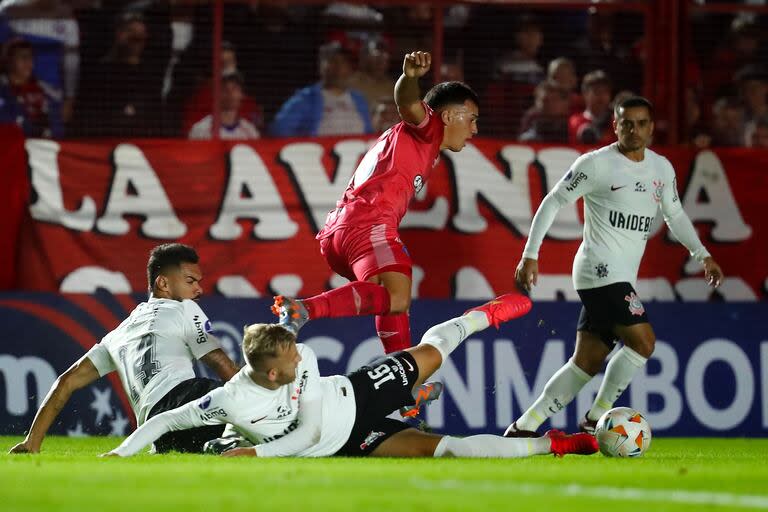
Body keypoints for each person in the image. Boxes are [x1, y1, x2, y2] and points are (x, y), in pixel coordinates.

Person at [105, 293, 598, 459]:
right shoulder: (231, 401)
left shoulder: (308, 360)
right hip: (354, 439)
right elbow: (165, 422)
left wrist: (252, 453)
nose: (303, 358)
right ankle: (555, 444)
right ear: (271, 372)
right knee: (451, 448)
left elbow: (310, 432)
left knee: (433, 349)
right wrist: (122, 451)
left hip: (357, 392)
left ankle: (479, 317)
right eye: (292, 359)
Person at [504, 97, 724, 438]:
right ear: (616, 126)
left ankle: (524, 426)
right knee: (643, 343)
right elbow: (554, 201)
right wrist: (530, 253)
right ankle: (597, 419)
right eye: (626, 123)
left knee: (586, 362)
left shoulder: (661, 169)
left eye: (641, 123)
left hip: (620, 276)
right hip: (598, 270)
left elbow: (675, 215)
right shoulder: (596, 164)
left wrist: (702, 254)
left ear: (651, 127)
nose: (633, 130)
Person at [271, 51, 478, 358]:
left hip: (341, 232)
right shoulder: (429, 128)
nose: (474, 130)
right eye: (472, 120)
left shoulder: (416, 141)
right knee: (397, 295)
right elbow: (406, 102)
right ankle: (303, 310)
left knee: (392, 297)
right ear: (448, 116)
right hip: (367, 223)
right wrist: (409, 78)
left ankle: (404, 382)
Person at [8, 244, 239, 454]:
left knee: (228, 445)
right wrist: (255, 394)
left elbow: (65, 382)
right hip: (188, 398)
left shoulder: (117, 334)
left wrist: (32, 441)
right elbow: (217, 360)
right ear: (163, 283)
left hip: (156, 431)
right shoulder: (185, 308)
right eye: (190, 281)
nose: (198, 289)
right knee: (264, 413)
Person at [269, 40, 373, 137]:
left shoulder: (359, 100)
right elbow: (279, 130)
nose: (338, 67)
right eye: (332, 61)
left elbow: (369, 134)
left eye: (344, 62)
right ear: (321, 66)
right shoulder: (306, 98)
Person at [188, 71, 260, 139]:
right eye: (224, 88)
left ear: (241, 94)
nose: (230, 93)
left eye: (235, 88)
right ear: (215, 94)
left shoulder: (251, 132)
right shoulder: (200, 130)